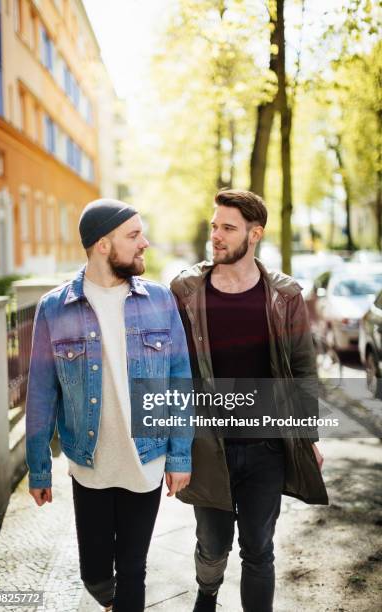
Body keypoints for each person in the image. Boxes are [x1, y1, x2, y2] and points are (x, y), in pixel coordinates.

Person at [26, 198, 192, 612]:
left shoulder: (159, 300)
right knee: (96, 576)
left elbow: (179, 382)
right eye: (134, 235)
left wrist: (179, 456)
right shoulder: (54, 308)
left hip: (147, 460)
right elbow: (42, 392)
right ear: (103, 244)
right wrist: (38, 467)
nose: (145, 244)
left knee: (133, 568)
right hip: (89, 462)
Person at [170, 189, 328, 612]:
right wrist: (174, 447)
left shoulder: (284, 295)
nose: (216, 236)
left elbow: (302, 368)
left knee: (259, 548)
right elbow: (172, 372)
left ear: (254, 234)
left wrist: (307, 435)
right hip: (208, 446)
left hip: (266, 447)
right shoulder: (186, 290)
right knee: (212, 544)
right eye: (214, 226)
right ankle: (207, 592)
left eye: (228, 228)